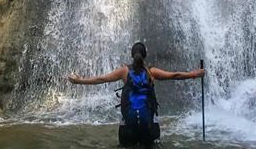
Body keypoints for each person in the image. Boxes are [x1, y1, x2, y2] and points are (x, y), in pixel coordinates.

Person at [68, 41, 205, 147]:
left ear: (132, 55)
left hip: (128, 125)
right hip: (148, 125)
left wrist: (79, 81)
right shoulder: (151, 72)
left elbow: (102, 79)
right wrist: (195, 74)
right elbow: (174, 75)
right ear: (144, 55)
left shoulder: (124, 71)